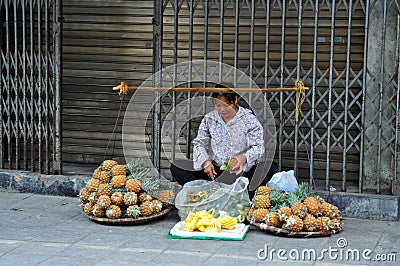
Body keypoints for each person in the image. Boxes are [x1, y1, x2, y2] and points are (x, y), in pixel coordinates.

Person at [170, 85, 278, 196]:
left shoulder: (248, 119)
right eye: (218, 105)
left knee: (270, 167)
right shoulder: (210, 119)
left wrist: (243, 158)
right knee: (177, 166)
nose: (222, 109)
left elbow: (258, 147)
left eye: (227, 105)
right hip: (217, 172)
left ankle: (243, 194)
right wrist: (205, 162)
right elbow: (199, 143)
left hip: (242, 172)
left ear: (235, 100)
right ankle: (206, 193)